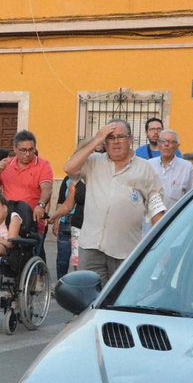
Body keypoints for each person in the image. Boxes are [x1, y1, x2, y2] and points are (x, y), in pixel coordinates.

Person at [60, 119, 167, 282]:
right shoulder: (94, 162)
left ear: (131, 140)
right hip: (91, 246)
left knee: (117, 298)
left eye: (121, 137)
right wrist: (97, 139)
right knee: (89, 297)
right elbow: (69, 168)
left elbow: (156, 207)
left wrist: (160, 242)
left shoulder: (145, 168)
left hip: (125, 248)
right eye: (110, 138)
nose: (115, 142)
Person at [0, 130, 53, 243]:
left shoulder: (43, 165)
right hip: (7, 221)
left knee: (32, 254)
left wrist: (41, 205)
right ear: (15, 149)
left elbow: (47, 187)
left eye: (31, 150)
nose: (27, 154)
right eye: (23, 150)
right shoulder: (6, 164)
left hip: (31, 222)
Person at [148, 128, 193, 209]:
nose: (166, 144)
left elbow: (189, 197)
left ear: (177, 146)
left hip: (174, 218)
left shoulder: (187, 167)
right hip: (150, 218)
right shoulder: (149, 164)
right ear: (159, 145)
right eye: (163, 141)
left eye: (171, 142)